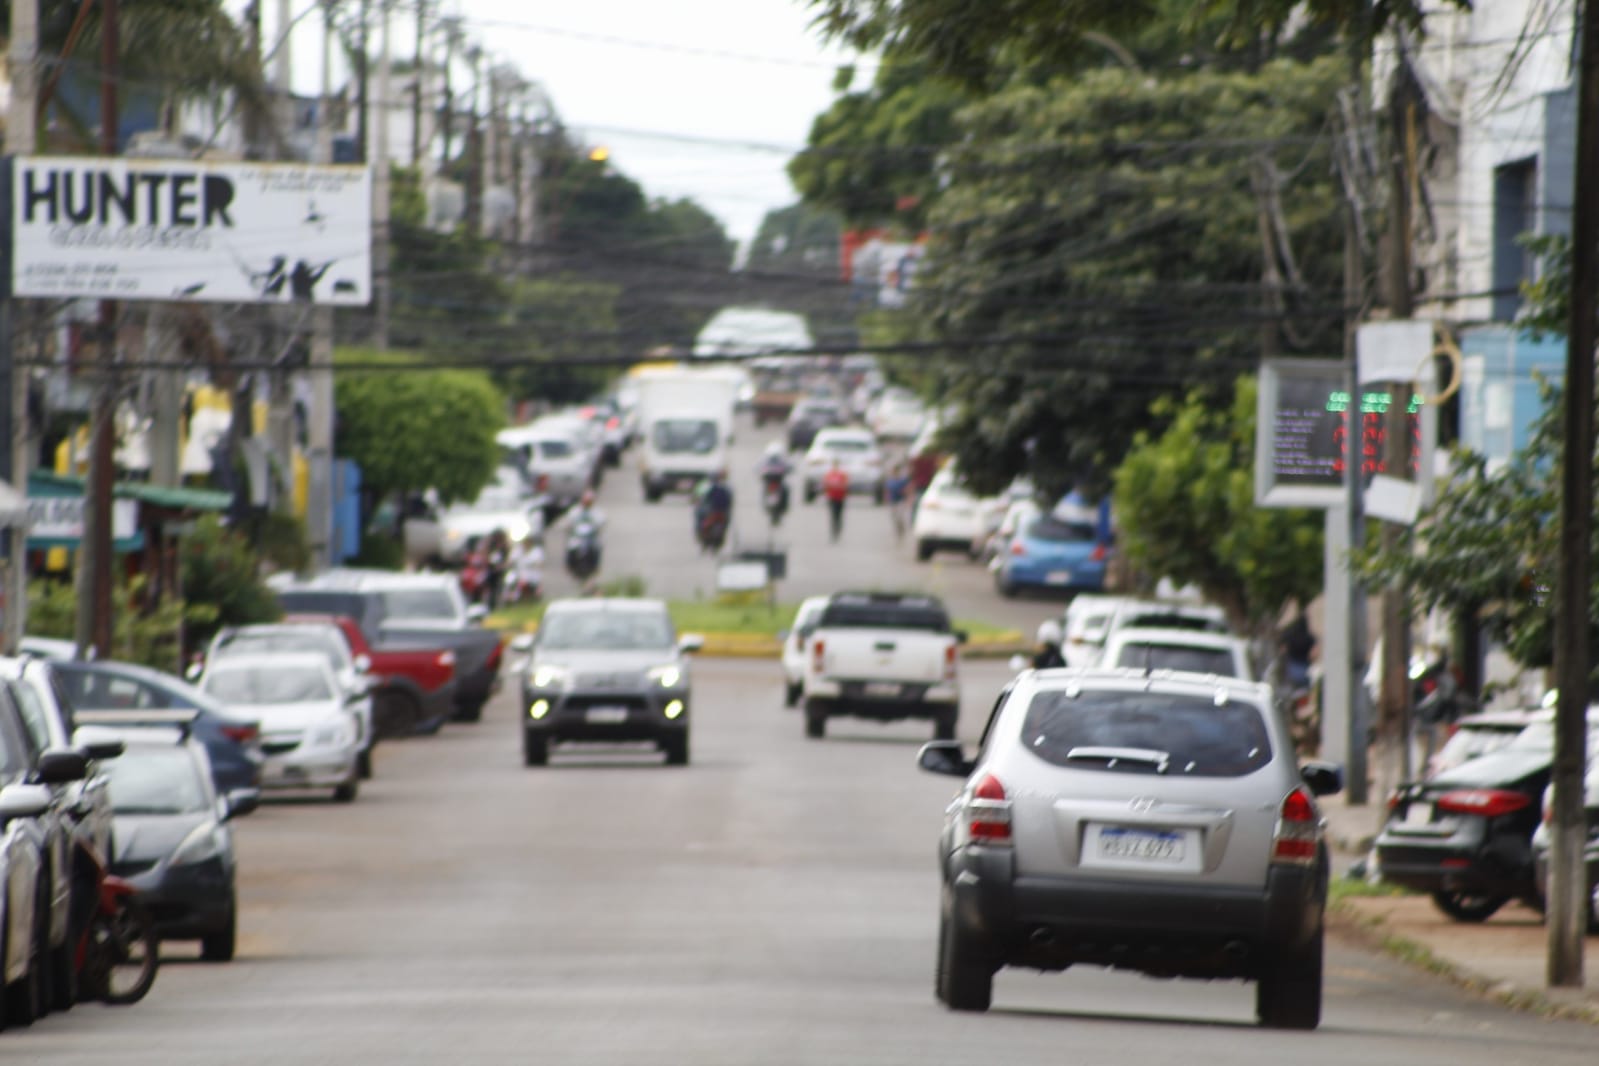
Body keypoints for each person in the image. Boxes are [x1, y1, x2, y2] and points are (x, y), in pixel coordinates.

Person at [822, 458, 850, 543]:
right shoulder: (829, 474)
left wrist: (840, 487)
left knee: (839, 514)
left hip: (840, 497)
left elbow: (846, 485)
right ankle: (833, 531)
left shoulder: (842, 475)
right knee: (833, 514)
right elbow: (825, 485)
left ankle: (838, 529)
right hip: (832, 497)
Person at [884, 463, 912, 540]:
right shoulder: (890, 480)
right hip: (893, 501)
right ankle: (897, 530)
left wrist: (908, 499)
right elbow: (887, 490)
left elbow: (908, 489)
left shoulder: (902, 480)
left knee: (900, 516)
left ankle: (902, 530)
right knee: (894, 517)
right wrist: (886, 498)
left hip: (901, 500)